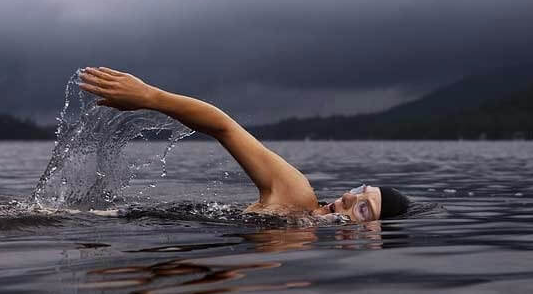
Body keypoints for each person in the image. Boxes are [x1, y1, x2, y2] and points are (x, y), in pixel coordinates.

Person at [78, 67, 410, 223]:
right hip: (111, 222)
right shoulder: (297, 197)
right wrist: (150, 97)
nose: (350, 196)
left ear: (371, 236)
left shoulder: (302, 236)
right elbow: (224, 127)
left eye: (364, 208)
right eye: (360, 190)